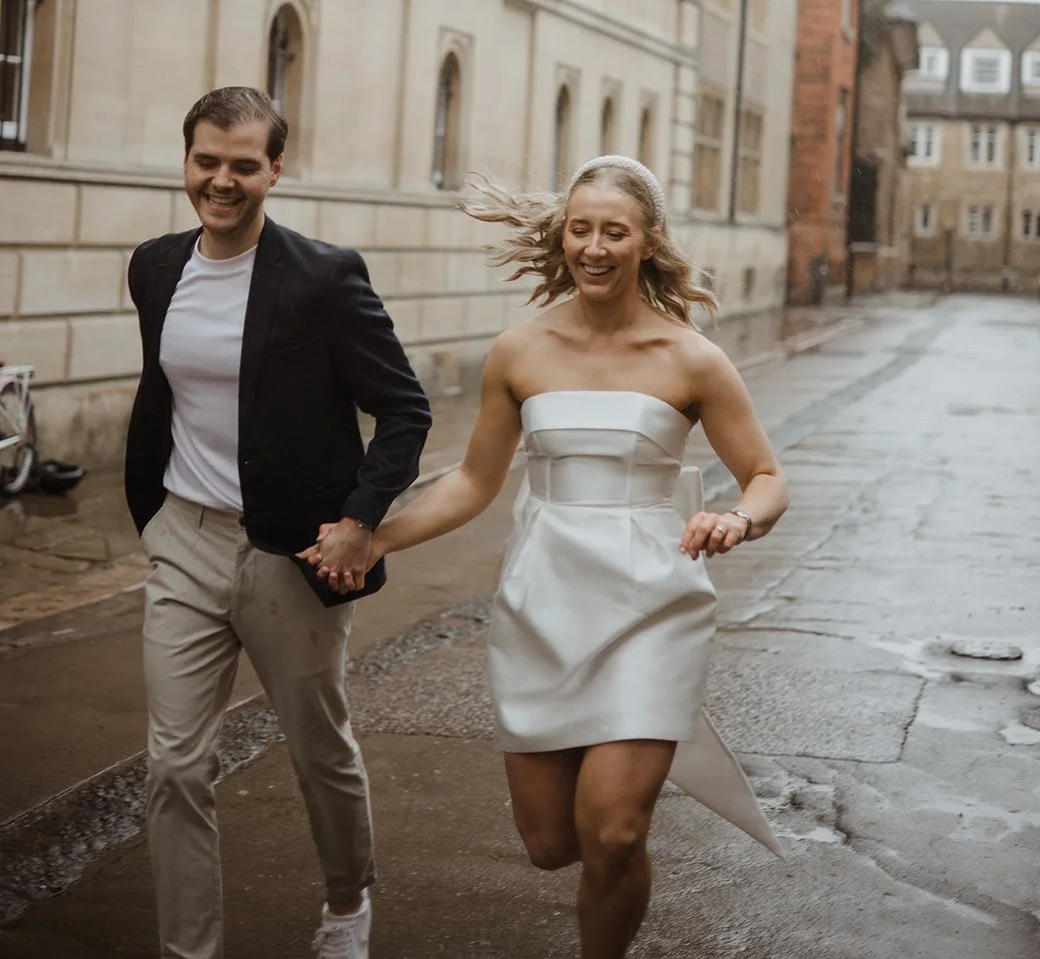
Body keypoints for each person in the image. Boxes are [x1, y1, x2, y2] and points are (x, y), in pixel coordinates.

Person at [302, 154, 789, 959]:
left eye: (615, 232)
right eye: (582, 229)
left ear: (648, 242)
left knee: (617, 829)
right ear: (563, 236)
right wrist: (375, 534)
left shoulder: (691, 358)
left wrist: (737, 518)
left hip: (653, 604)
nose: (595, 247)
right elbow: (472, 480)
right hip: (543, 601)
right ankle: (615, 871)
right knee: (552, 842)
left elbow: (768, 478)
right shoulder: (519, 351)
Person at [124, 86, 431, 959]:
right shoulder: (153, 266)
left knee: (317, 749)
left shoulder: (324, 277)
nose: (222, 182)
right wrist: (153, 515)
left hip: (291, 552)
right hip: (184, 538)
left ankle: (346, 904)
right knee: (175, 766)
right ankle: (190, 950)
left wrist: (358, 520)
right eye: (206, 163)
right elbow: (167, 393)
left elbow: (405, 411)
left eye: (243, 166)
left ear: (274, 170)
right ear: (187, 162)